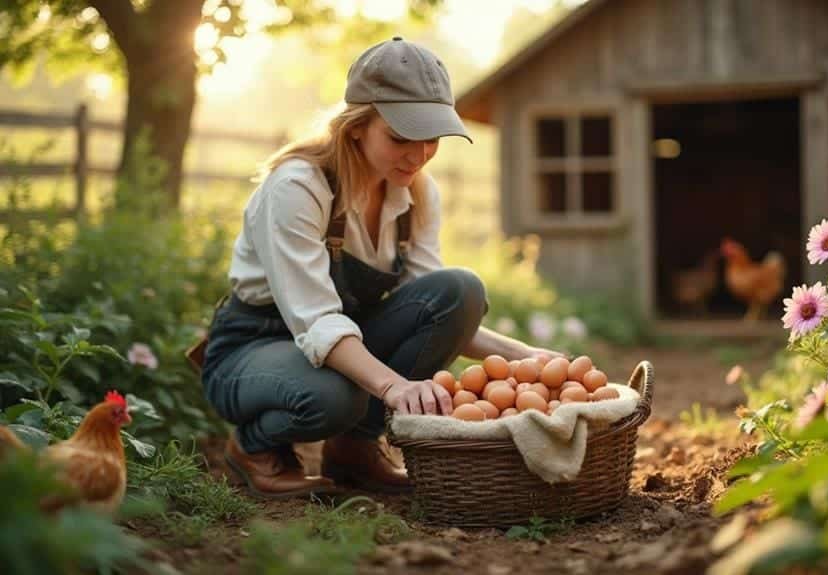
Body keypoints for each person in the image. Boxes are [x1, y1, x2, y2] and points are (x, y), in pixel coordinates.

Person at [200, 37, 564, 498]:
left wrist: (528, 358)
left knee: (459, 291)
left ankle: (353, 450)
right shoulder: (297, 189)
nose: (417, 155)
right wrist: (393, 387)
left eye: (431, 138)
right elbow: (316, 321)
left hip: (340, 338)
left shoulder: (416, 193)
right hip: (254, 348)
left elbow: (441, 317)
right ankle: (253, 447)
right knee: (336, 395)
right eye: (400, 137)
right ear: (356, 126)